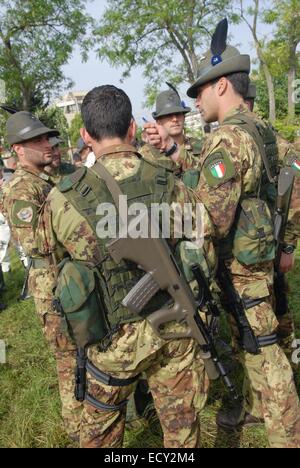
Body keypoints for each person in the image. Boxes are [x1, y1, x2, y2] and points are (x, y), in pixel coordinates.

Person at [144, 18, 300, 448]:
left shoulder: (227, 141)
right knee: (255, 343)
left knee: (267, 352)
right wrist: (286, 244)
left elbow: (207, 218)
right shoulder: (265, 130)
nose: (194, 101)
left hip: (243, 267)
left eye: (200, 92)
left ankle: (286, 434)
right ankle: (256, 408)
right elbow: (289, 188)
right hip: (262, 257)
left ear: (222, 87)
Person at [37, 85, 216, 448]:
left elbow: (50, 269)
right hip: (175, 331)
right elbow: (204, 249)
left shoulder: (63, 197)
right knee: (182, 434)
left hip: (109, 340)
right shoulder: (168, 179)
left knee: (100, 436)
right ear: (132, 127)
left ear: (85, 136)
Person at [217, 83, 300, 430]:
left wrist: (289, 245)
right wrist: (287, 245)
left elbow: (295, 185)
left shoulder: (234, 138)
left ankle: (282, 414)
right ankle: (259, 403)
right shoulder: (270, 136)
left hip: (249, 257)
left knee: (263, 342)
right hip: (265, 248)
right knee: (258, 332)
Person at [2, 111, 83, 442]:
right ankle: (78, 429)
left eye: (47, 137)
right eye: (37, 140)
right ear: (18, 149)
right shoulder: (21, 189)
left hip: (73, 278)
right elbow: (38, 241)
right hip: (52, 287)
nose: (47, 143)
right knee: (68, 359)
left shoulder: (47, 178)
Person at [141, 83, 203, 174]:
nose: (174, 119)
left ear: (184, 117)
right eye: (168, 115)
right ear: (158, 122)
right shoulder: (146, 154)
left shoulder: (201, 146)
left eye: (178, 114)